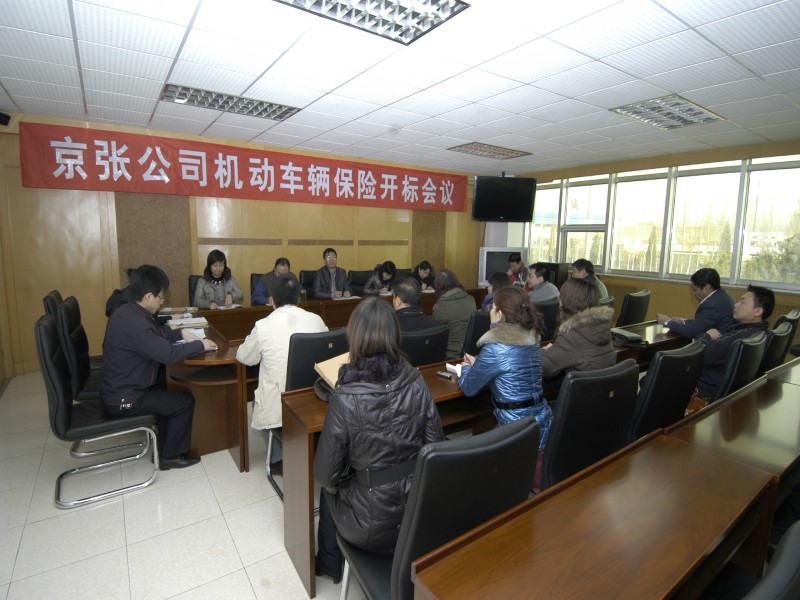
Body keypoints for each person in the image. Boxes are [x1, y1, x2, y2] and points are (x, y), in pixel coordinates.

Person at [313, 297, 444, 583]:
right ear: (394, 334)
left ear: (355, 338)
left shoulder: (344, 397)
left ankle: (329, 564)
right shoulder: (416, 379)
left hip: (369, 528)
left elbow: (326, 474)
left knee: (327, 490)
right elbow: (437, 447)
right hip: (418, 516)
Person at [100, 264, 217, 470]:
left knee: (170, 384)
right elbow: (167, 354)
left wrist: (180, 333)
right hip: (124, 398)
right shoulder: (135, 322)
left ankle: (164, 443)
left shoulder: (130, 310)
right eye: (161, 298)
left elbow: (158, 333)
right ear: (148, 296)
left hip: (125, 386)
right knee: (184, 402)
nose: (162, 302)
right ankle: (170, 456)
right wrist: (200, 345)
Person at [236, 274, 327, 471]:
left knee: (256, 401)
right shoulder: (316, 320)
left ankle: (279, 460)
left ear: (272, 300)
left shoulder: (263, 326)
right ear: (298, 298)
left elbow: (244, 357)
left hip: (282, 403)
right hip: (312, 397)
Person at [458, 286, 552, 438]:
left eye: (492, 308)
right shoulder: (532, 338)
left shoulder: (495, 346)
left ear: (500, 314)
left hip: (514, 428)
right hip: (541, 421)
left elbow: (469, 388)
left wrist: (467, 368)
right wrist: (480, 364)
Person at [691, 284, 774, 404]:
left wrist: (706, 336)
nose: (735, 305)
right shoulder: (759, 332)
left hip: (700, 394)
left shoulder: (740, 337)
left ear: (758, 311)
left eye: (742, 302)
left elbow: (697, 353)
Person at [541, 277, 615, 379]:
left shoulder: (571, 334)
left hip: (585, 387)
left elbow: (545, 368)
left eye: (561, 297)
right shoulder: (602, 324)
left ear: (566, 302)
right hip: (604, 385)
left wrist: (544, 350)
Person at [656, 267, 735, 340]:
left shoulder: (712, 305)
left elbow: (692, 332)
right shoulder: (722, 296)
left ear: (707, 287)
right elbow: (703, 322)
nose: (693, 293)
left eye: (694, 289)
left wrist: (667, 322)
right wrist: (683, 322)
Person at [432, 269, 477, 360]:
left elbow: (436, 339)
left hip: (452, 356)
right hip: (472, 354)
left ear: (438, 286)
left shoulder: (440, 307)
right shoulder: (471, 300)